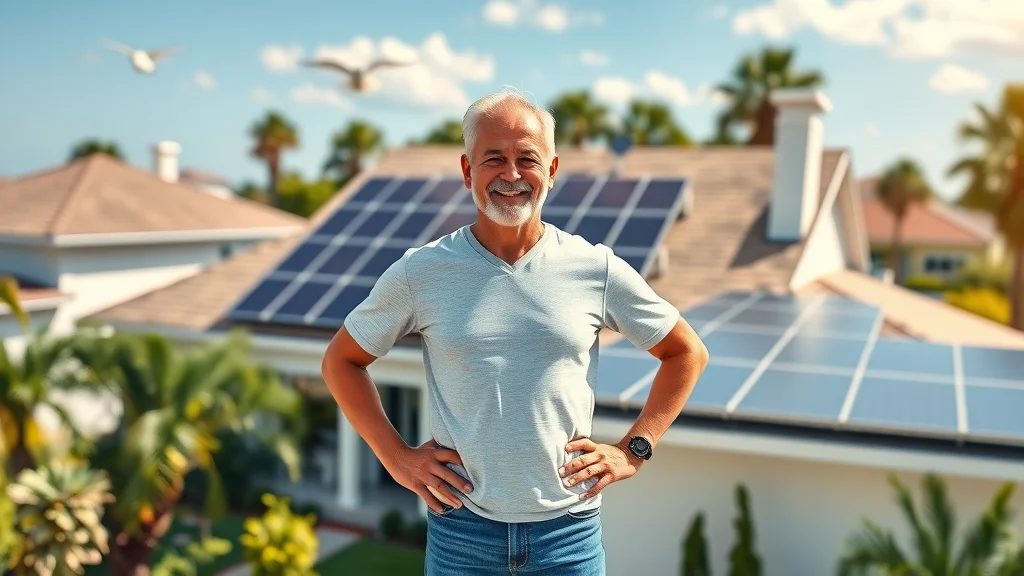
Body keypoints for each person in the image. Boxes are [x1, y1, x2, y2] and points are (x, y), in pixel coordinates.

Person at [321, 88, 709, 575]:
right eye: (493, 159)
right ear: (467, 171)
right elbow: (340, 361)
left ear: (551, 170)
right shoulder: (420, 273)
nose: (510, 175)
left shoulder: (596, 268)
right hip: (461, 531)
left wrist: (634, 449)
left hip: (569, 536)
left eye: (527, 158)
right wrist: (395, 457)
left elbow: (686, 353)